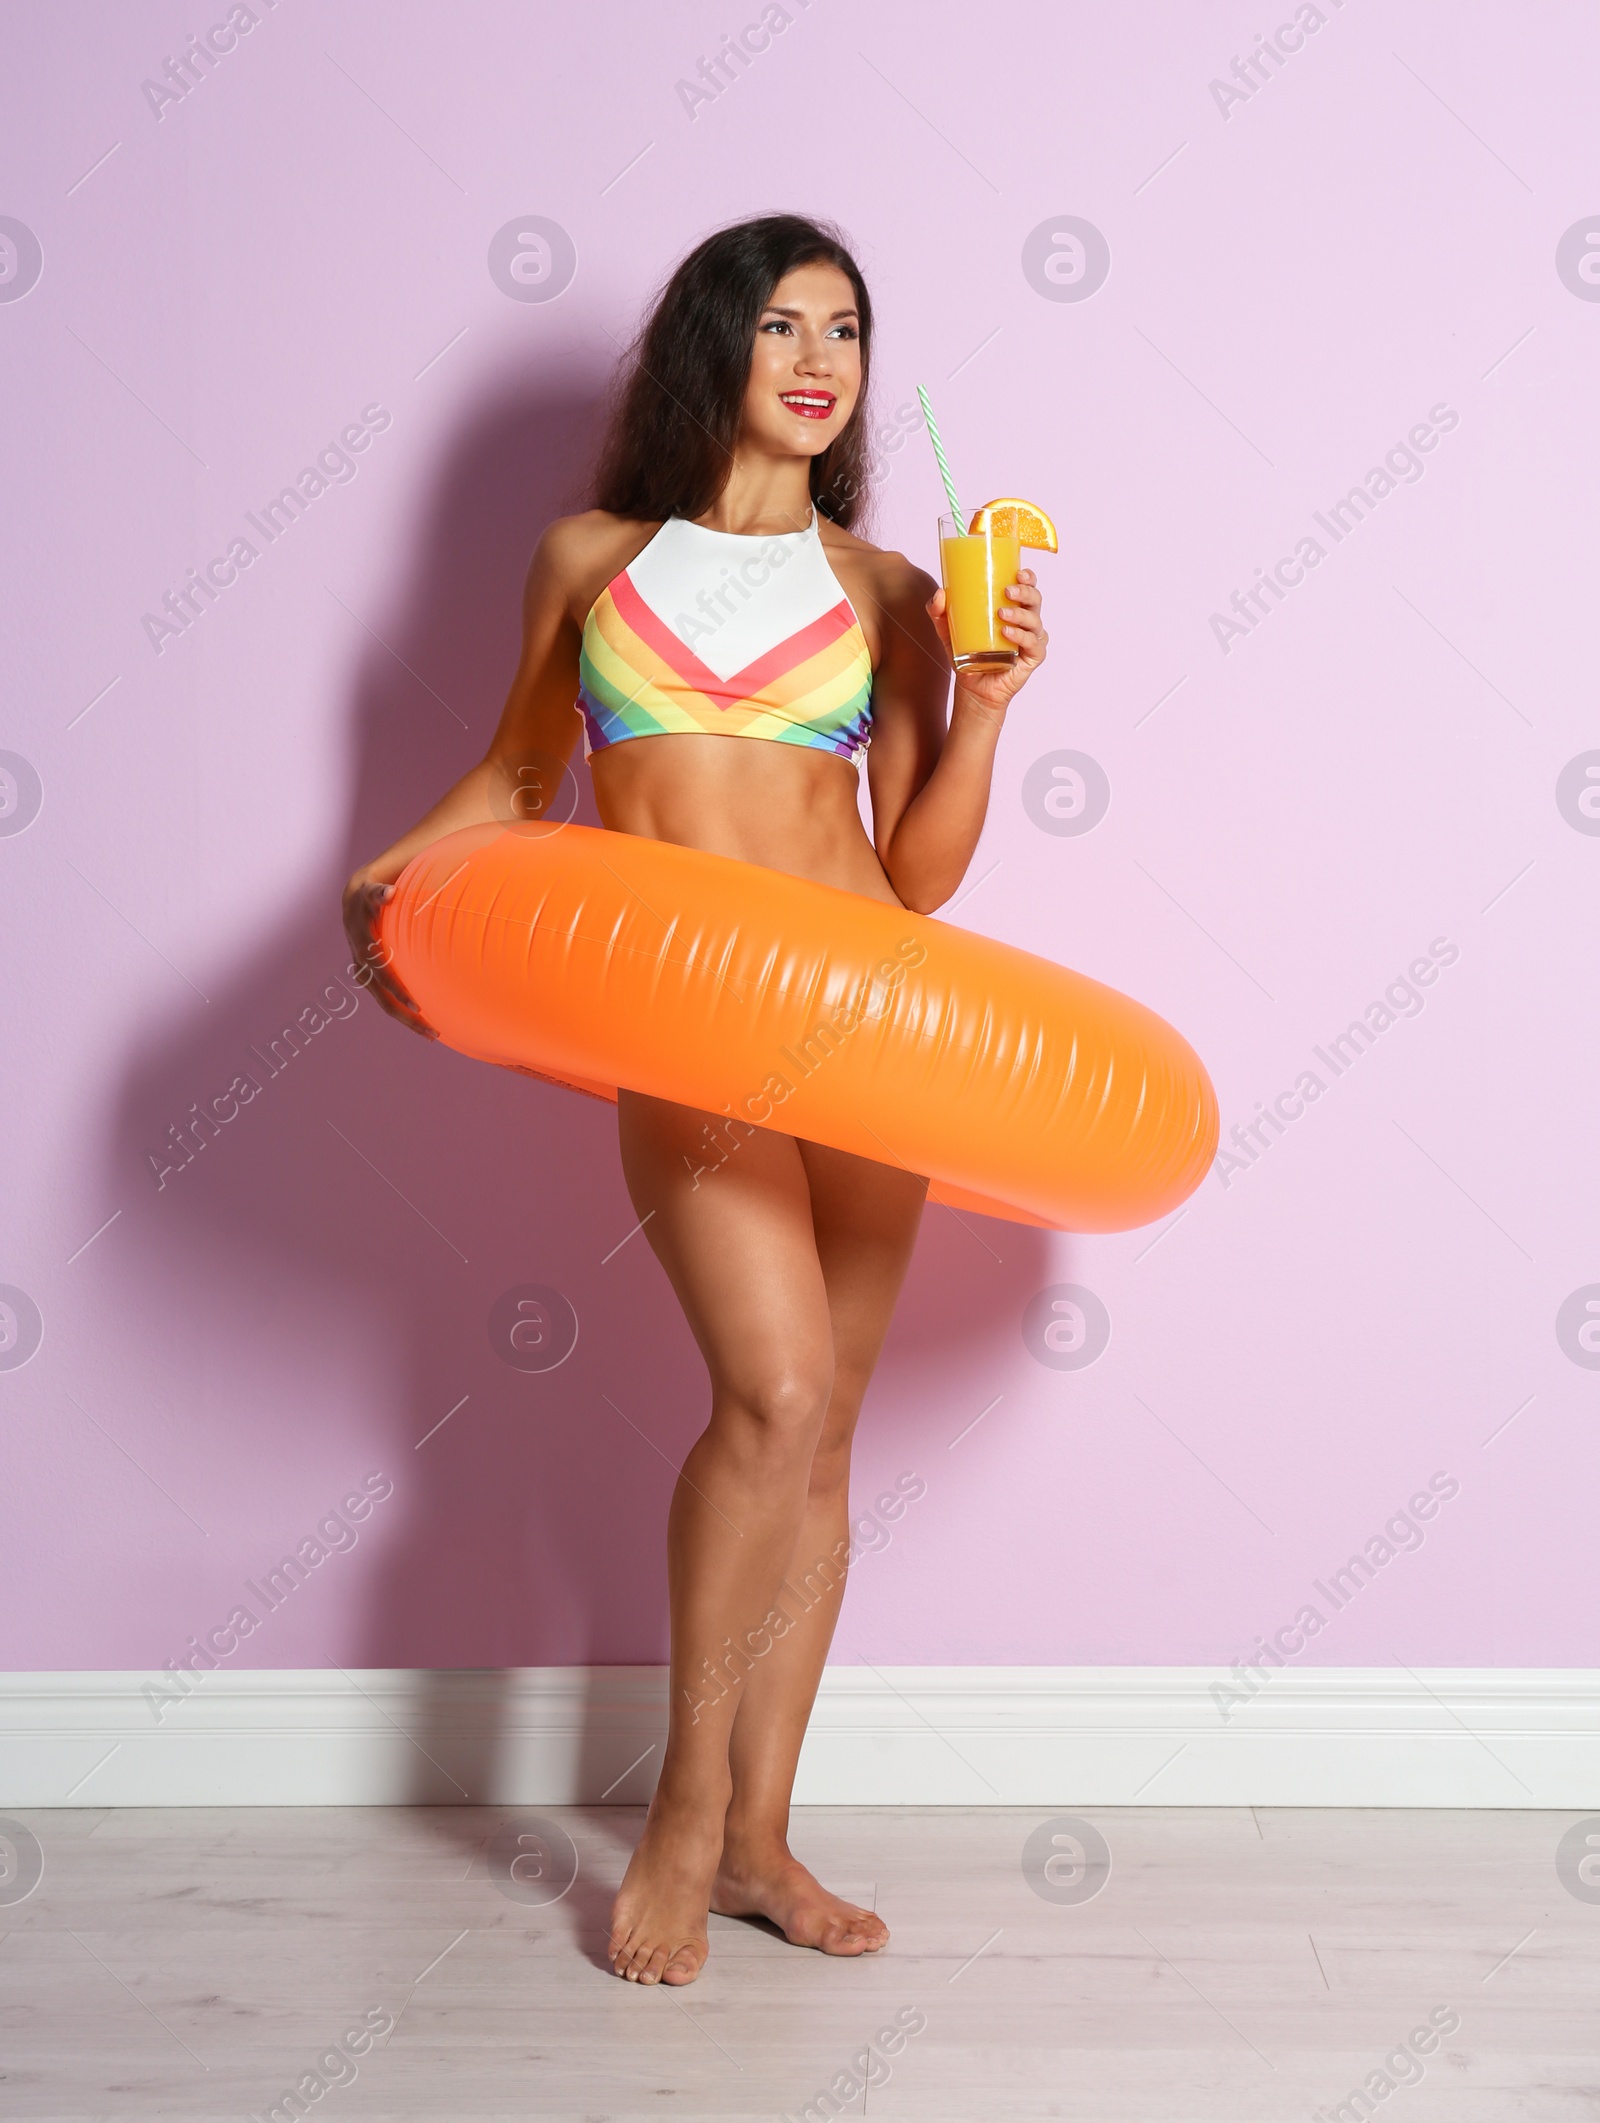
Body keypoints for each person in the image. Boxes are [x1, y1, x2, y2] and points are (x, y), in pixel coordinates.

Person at [343, 213, 1047, 1986]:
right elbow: (519, 773)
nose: (822, 363)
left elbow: (921, 872)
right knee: (773, 1384)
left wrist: (987, 709)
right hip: (697, 1040)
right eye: (785, 326)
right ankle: (675, 1818)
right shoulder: (589, 556)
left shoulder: (890, 589)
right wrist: (383, 887)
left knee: (828, 1433)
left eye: (851, 333)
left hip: (873, 1019)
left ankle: (757, 1843)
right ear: (712, 349)